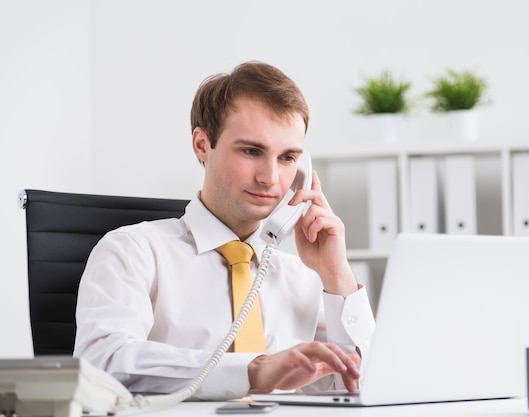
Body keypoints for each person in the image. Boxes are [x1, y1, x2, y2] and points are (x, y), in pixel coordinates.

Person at [73, 61, 376, 401]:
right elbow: (100, 365)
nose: (270, 178)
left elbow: (362, 387)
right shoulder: (132, 251)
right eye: (251, 151)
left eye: (288, 157)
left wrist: (337, 276)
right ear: (202, 145)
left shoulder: (303, 277)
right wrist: (254, 370)